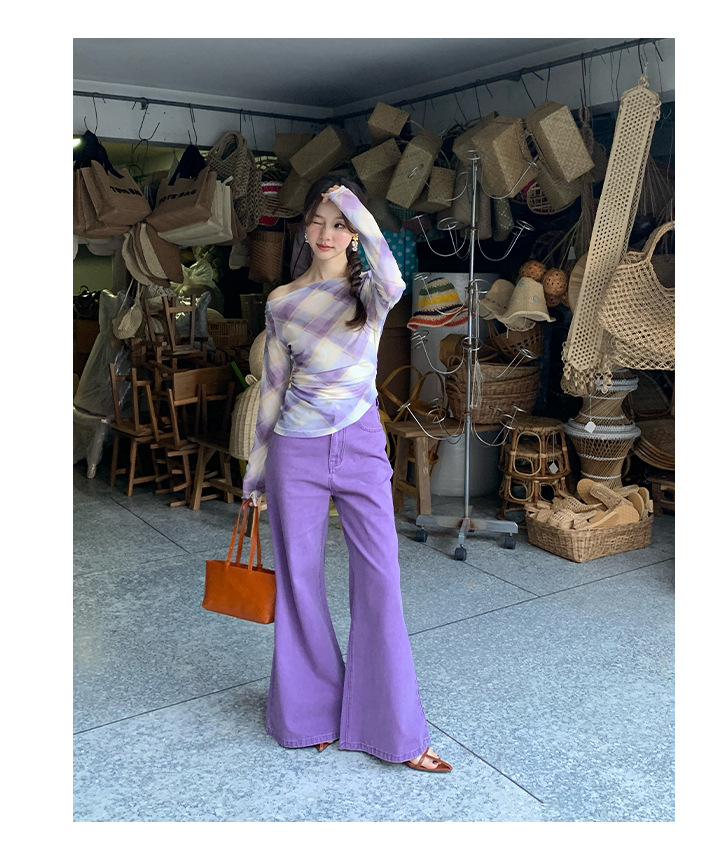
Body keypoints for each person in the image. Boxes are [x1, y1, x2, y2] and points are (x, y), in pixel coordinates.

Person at [242, 174, 451, 774]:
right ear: (303, 227)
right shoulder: (282, 301)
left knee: (381, 581)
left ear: (356, 232)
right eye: (318, 219)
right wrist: (256, 473)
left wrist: (351, 202)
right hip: (295, 454)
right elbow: (272, 391)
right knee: (299, 582)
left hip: (360, 446)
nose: (326, 232)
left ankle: (397, 731)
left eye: (340, 224)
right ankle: (308, 715)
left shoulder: (372, 294)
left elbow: (394, 274)